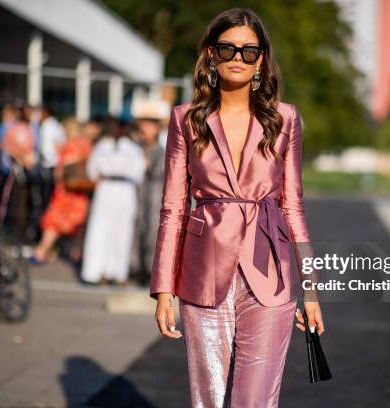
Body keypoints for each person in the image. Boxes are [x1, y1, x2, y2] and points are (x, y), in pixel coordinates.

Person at [149, 8, 323, 408]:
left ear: (261, 58)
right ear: (211, 53)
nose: (237, 58)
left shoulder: (285, 119)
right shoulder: (185, 120)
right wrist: (162, 288)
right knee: (209, 399)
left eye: (248, 51)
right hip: (203, 271)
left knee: (256, 400)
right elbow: (173, 206)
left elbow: (293, 207)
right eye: (227, 48)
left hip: (272, 273)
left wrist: (310, 288)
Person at [80, 117, 145, 286]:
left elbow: (92, 171)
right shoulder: (108, 146)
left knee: (117, 230)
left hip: (118, 188)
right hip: (113, 188)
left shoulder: (124, 148)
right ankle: (100, 272)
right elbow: (92, 170)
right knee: (106, 229)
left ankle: (111, 272)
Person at [31, 118, 92, 264]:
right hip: (79, 191)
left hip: (66, 191)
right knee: (79, 223)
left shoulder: (70, 145)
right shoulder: (87, 146)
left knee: (53, 223)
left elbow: (60, 170)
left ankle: (41, 251)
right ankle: (76, 254)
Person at [131, 100, 168, 286]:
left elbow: (157, 170)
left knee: (152, 230)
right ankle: (135, 266)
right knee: (136, 227)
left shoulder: (160, 149)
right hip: (138, 193)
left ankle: (150, 270)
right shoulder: (134, 147)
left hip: (154, 193)